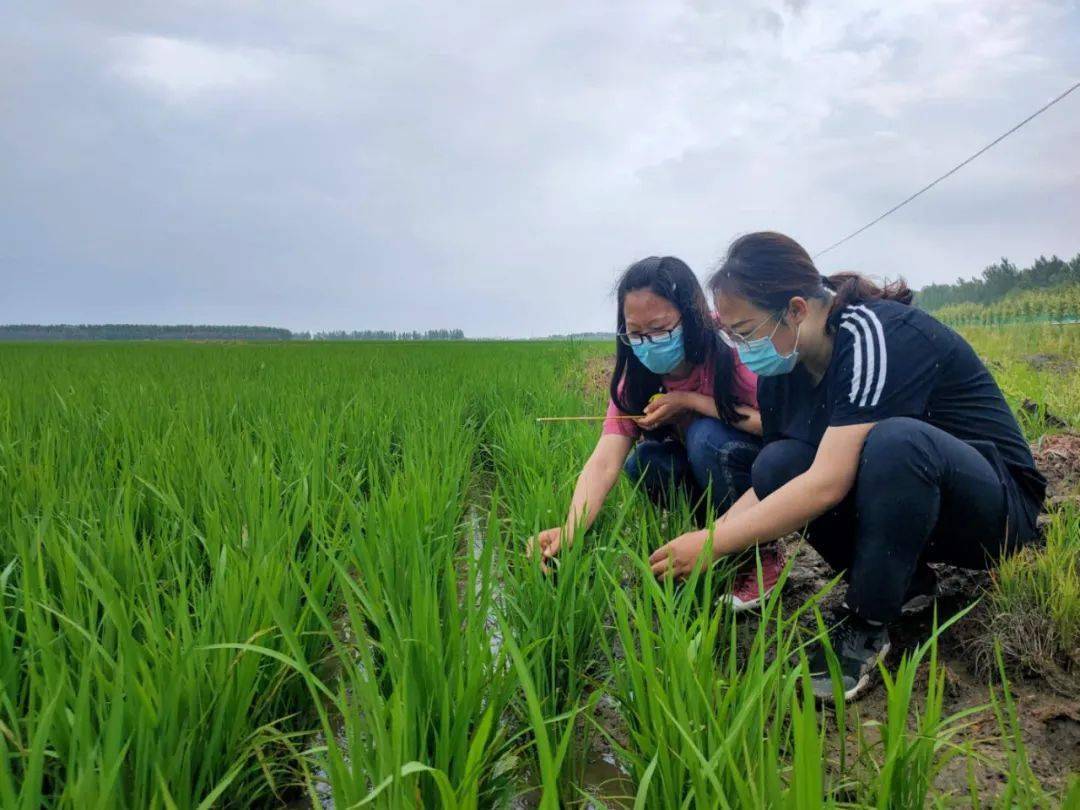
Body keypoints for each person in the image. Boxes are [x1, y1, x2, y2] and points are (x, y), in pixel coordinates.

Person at [647, 232, 1046, 701]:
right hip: (912, 508)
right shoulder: (783, 372)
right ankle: (907, 585)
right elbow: (782, 485)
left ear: (796, 309)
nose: (739, 348)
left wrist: (712, 543)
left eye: (747, 332)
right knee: (777, 463)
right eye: (730, 335)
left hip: (994, 508)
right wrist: (701, 551)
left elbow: (828, 483)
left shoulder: (874, 335)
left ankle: (866, 622)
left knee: (897, 441)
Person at [533, 255, 784, 610]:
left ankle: (760, 554)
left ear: (691, 315)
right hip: (701, 468)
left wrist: (692, 402)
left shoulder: (732, 352)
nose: (648, 342)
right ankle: (709, 536)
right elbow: (605, 461)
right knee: (643, 462)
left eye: (660, 329)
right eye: (636, 333)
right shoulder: (633, 378)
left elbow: (779, 426)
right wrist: (572, 527)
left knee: (706, 438)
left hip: (755, 468)